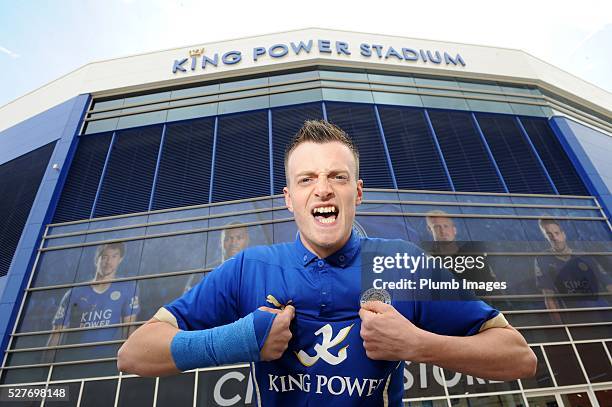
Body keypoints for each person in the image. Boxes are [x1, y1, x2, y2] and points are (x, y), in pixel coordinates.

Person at [118, 120, 536, 405]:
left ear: (357, 192)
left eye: (337, 177)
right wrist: (240, 339)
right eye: (307, 179)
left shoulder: (403, 262)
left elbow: (519, 358)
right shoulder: (250, 268)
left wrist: (416, 344)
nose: (323, 190)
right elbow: (134, 354)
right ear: (288, 199)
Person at [49, 243, 140, 347]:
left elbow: (128, 328)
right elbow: (56, 333)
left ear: (120, 259)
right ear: (97, 259)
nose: (109, 262)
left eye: (114, 256)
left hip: (107, 358)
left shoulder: (128, 287)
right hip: (76, 357)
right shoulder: (74, 293)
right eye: (105, 257)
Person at [535, 219, 612, 314]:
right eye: (549, 234)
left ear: (563, 234)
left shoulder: (584, 256)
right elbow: (549, 297)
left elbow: (608, 283)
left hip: (602, 311)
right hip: (576, 316)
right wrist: (559, 326)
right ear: (546, 237)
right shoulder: (543, 260)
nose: (554, 237)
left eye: (557, 233)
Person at [425, 210, 497, 284]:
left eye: (446, 226)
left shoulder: (474, 255)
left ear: (454, 229)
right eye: (437, 227)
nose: (443, 231)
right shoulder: (428, 261)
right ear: (430, 230)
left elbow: (491, 286)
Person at [183, 222, 251, 293]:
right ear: (220, 243)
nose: (233, 242)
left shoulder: (256, 271)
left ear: (247, 241)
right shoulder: (201, 275)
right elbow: (189, 302)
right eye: (228, 238)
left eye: (239, 238)